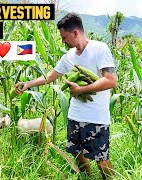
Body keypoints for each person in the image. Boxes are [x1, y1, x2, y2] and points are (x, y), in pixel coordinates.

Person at [15, 13, 117, 179]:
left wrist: (81, 90)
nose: (62, 41)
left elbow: (111, 81)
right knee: (77, 153)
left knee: (101, 158)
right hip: (75, 115)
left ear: (75, 33)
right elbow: (50, 76)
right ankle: (86, 178)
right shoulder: (68, 56)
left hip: (96, 117)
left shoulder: (99, 49)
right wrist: (27, 84)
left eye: (64, 37)